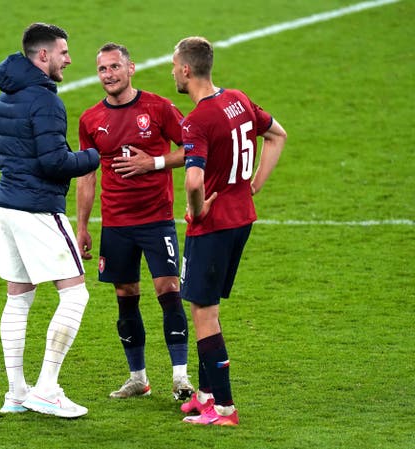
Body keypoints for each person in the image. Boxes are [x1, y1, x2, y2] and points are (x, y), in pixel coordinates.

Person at [172, 36, 287, 426]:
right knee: (204, 305)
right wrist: (254, 184)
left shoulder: (196, 121)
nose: (172, 71)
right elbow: (277, 135)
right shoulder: (237, 98)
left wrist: (197, 211)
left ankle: (223, 408)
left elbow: (192, 182)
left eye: (174, 66)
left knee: (204, 312)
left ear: (186, 69)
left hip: (215, 225)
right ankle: (204, 395)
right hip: (241, 217)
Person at [0, 23, 100, 419]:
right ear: (43, 56)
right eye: (64, 52)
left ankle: (16, 393)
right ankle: (47, 388)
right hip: (37, 209)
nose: (69, 59)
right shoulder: (46, 101)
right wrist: (94, 156)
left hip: (7, 207)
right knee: (76, 294)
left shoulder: (8, 97)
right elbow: (55, 162)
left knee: (18, 298)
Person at [76, 42, 194, 401]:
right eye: (102, 69)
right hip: (115, 224)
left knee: (168, 291)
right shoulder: (90, 119)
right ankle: (137, 378)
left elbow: (192, 147)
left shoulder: (158, 108)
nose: (108, 75)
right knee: (125, 295)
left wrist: (153, 163)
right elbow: (86, 177)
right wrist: (82, 225)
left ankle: (180, 378)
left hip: (156, 220)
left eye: (114, 67)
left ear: (131, 69)